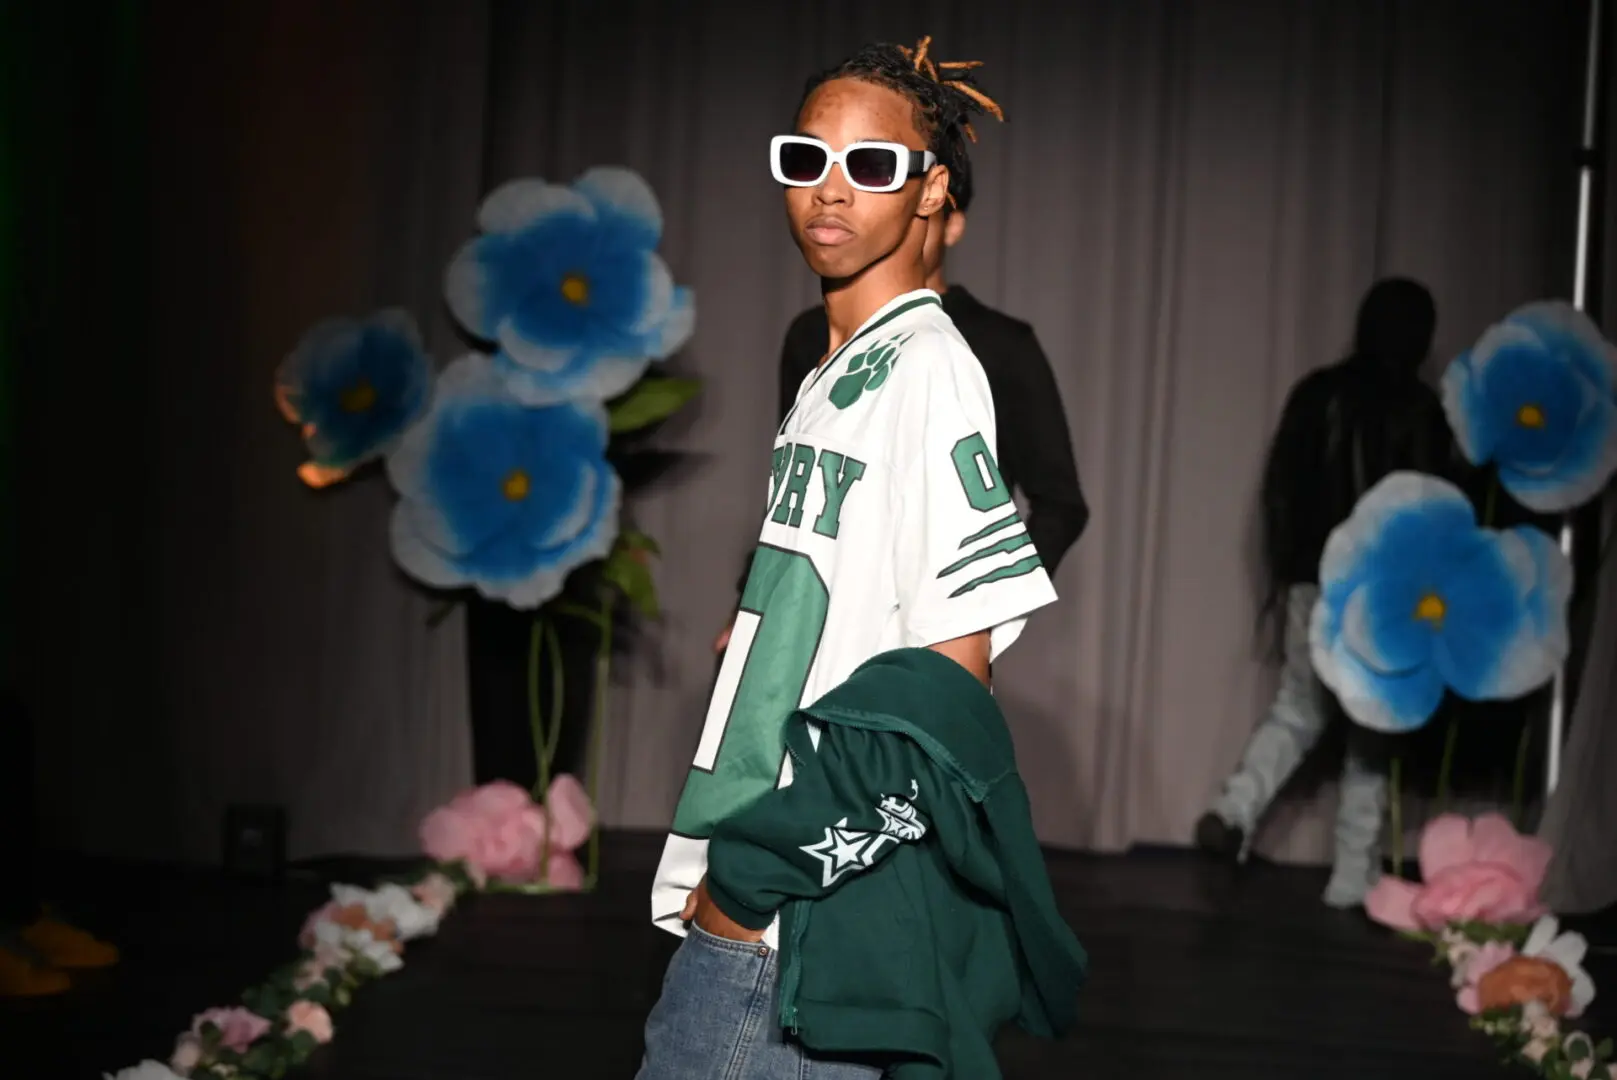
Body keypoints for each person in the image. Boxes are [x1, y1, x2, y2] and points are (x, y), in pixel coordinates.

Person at [642, 37, 1085, 1077]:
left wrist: (755, 883)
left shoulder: (928, 369)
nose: (829, 190)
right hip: (766, 897)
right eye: (806, 159)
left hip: (783, 923)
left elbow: (946, 697)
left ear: (933, 195)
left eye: (871, 165)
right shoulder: (843, 365)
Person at [715, 136, 1087, 656]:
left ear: (947, 216)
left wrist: (974, 616)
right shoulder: (811, 334)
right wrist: (749, 607)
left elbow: (1061, 504)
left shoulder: (999, 345)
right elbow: (798, 491)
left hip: (917, 632)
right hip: (812, 612)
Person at [1195, 277, 1454, 907]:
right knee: (1374, 727)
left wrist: (1290, 571)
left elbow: (1282, 489)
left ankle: (1235, 809)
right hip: (1387, 591)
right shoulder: (1421, 408)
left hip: (1315, 578)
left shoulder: (1317, 393)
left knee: (1298, 708)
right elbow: (1432, 510)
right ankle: (1350, 876)